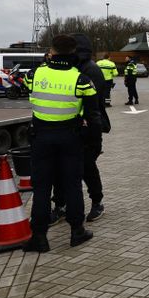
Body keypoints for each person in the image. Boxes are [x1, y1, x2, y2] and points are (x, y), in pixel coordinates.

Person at [22, 34, 101, 252]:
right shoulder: (82, 80)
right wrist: (93, 142)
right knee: (73, 184)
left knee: (42, 188)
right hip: (70, 138)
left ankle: (39, 236)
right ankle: (77, 231)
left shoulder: (35, 74)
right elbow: (93, 114)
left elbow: (27, 87)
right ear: (73, 52)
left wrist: (46, 62)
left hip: (40, 137)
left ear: (52, 51)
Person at [47, 34, 110, 226]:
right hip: (68, 128)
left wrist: (95, 138)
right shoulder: (69, 67)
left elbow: (93, 107)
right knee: (60, 170)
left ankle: (97, 202)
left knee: (87, 168)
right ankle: (61, 205)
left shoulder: (91, 70)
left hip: (86, 128)